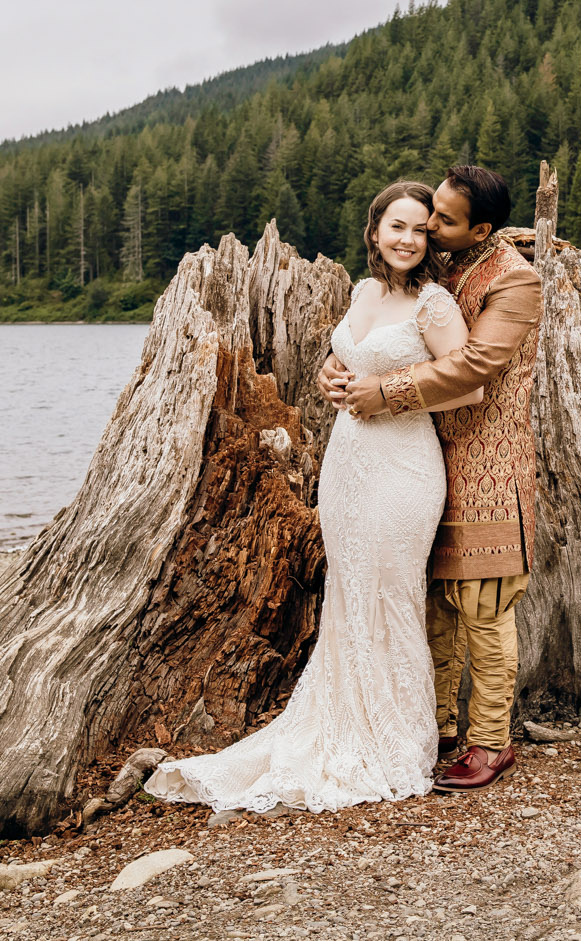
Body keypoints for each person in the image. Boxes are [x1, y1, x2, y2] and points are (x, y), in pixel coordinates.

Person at [144, 180, 483, 813]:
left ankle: (398, 739)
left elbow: (467, 388)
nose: (408, 239)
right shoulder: (364, 292)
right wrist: (333, 372)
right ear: (374, 231)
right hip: (348, 459)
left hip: (403, 464)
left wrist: (387, 388)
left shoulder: (435, 304)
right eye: (397, 227)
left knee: (390, 593)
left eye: (420, 229)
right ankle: (339, 720)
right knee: (349, 593)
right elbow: (345, 354)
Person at [323, 164, 543, 793]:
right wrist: (332, 370)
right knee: (434, 607)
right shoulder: (440, 264)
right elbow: (386, 331)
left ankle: (491, 742)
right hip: (420, 455)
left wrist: (385, 393)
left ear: (482, 229)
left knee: (486, 606)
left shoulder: (516, 281)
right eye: (427, 217)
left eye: (443, 220)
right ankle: (437, 722)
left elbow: (475, 364)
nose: (430, 228)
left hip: (487, 462)